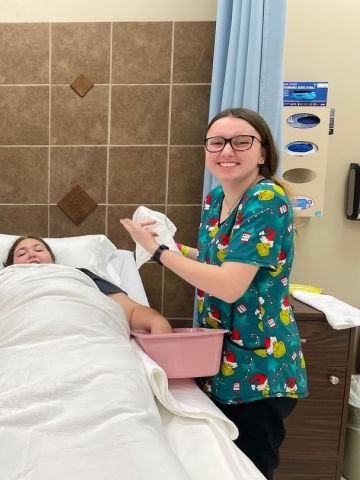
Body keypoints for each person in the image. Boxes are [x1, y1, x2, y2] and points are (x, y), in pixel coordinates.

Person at [121, 107, 307, 479]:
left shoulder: (266, 199)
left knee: (250, 468)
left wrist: (161, 254)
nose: (227, 151)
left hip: (261, 367)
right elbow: (213, 260)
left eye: (241, 142)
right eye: (217, 142)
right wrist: (168, 246)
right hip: (220, 358)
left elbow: (229, 283)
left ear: (263, 152)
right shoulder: (215, 201)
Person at [0, 235, 172, 355]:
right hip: (12, 348)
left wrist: (157, 321)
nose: (31, 254)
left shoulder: (80, 275)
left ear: (53, 259)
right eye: (22, 253)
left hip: (88, 345)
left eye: (39, 249)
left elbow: (132, 311)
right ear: (10, 267)